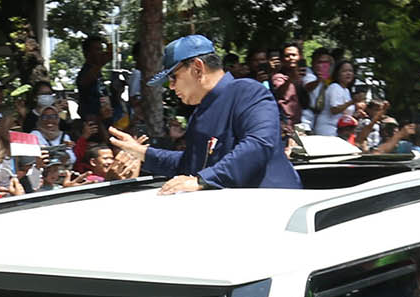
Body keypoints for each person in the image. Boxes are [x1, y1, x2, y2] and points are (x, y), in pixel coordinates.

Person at [109, 36, 299, 193]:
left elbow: (259, 144)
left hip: (276, 209)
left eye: (173, 77)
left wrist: (203, 180)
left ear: (197, 68)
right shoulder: (199, 115)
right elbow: (188, 163)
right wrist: (141, 152)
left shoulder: (248, 91)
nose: (172, 86)